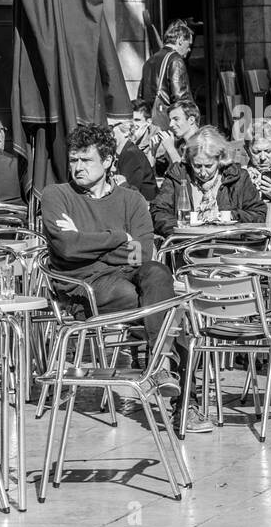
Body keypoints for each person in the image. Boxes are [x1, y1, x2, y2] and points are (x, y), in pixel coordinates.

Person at [41, 124, 209, 432]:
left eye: (86, 160)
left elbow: (141, 254)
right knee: (169, 309)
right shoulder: (56, 196)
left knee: (158, 274)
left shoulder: (131, 200)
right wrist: (118, 237)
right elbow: (67, 247)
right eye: (74, 160)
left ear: (106, 161)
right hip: (86, 290)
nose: (77, 167)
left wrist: (88, 243)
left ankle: (161, 371)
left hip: (128, 280)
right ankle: (184, 400)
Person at [152, 127, 266, 238]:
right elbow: (158, 213)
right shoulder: (177, 175)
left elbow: (258, 213)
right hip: (186, 245)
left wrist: (231, 216)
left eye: (208, 166)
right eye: (197, 166)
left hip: (229, 246)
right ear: (189, 159)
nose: (202, 172)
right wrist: (182, 228)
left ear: (220, 159)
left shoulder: (238, 177)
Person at [139, 20, 194, 130]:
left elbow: (140, 96)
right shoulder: (175, 60)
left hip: (151, 125)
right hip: (168, 125)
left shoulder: (149, 61)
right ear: (180, 40)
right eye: (189, 44)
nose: (189, 49)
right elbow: (181, 98)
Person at [109, 110, 158, 202]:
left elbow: (128, 189)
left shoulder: (131, 154)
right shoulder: (123, 152)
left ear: (125, 132)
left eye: (111, 129)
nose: (108, 134)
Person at [156, 98, 202, 175]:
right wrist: (152, 152)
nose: (171, 124)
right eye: (170, 120)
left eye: (176, 119)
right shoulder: (179, 145)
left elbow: (186, 177)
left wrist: (171, 149)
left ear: (191, 120)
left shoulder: (205, 143)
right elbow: (158, 173)